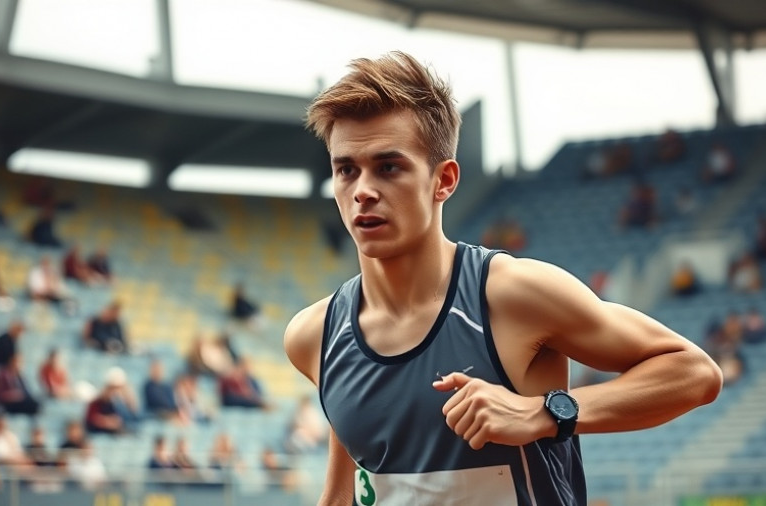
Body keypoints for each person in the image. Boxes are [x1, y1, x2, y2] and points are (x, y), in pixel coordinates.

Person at [284, 52, 722, 505]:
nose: (363, 191)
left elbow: (694, 372)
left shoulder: (512, 296)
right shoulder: (315, 337)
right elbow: (341, 494)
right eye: (346, 170)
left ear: (444, 180)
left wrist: (544, 412)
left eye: (389, 167)